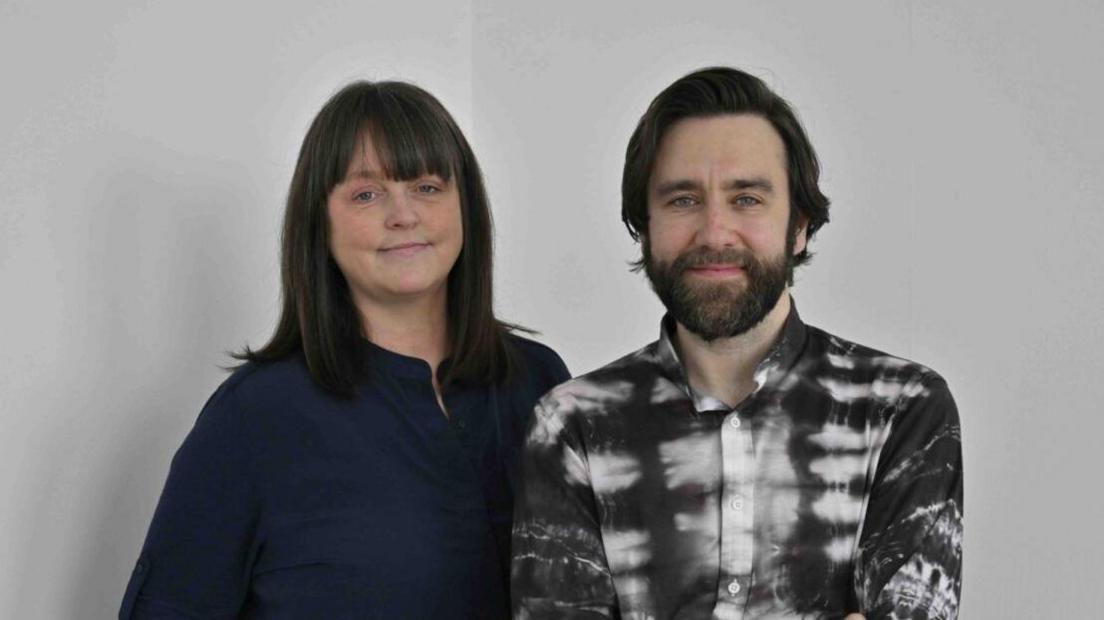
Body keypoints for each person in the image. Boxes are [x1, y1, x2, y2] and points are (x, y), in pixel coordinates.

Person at [511, 67, 963, 619]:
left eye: (746, 198)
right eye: (682, 200)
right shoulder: (573, 425)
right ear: (644, 226)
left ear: (799, 225)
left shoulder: (902, 408)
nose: (715, 232)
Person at [119, 80, 569, 619]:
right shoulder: (253, 418)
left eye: (427, 186)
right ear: (319, 224)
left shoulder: (539, 381)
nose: (403, 214)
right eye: (366, 193)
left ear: (465, 206)